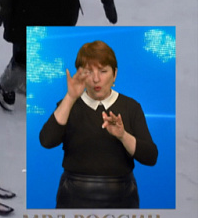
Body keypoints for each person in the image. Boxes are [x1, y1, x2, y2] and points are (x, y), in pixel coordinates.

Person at [39, 41, 157, 208]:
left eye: (103, 71)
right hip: (74, 194)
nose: (96, 79)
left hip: (122, 195)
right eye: (88, 72)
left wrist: (123, 136)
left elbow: (151, 157)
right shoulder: (68, 105)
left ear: (114, 74)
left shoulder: (131, 107)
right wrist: (70, 98)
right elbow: (46, 140)